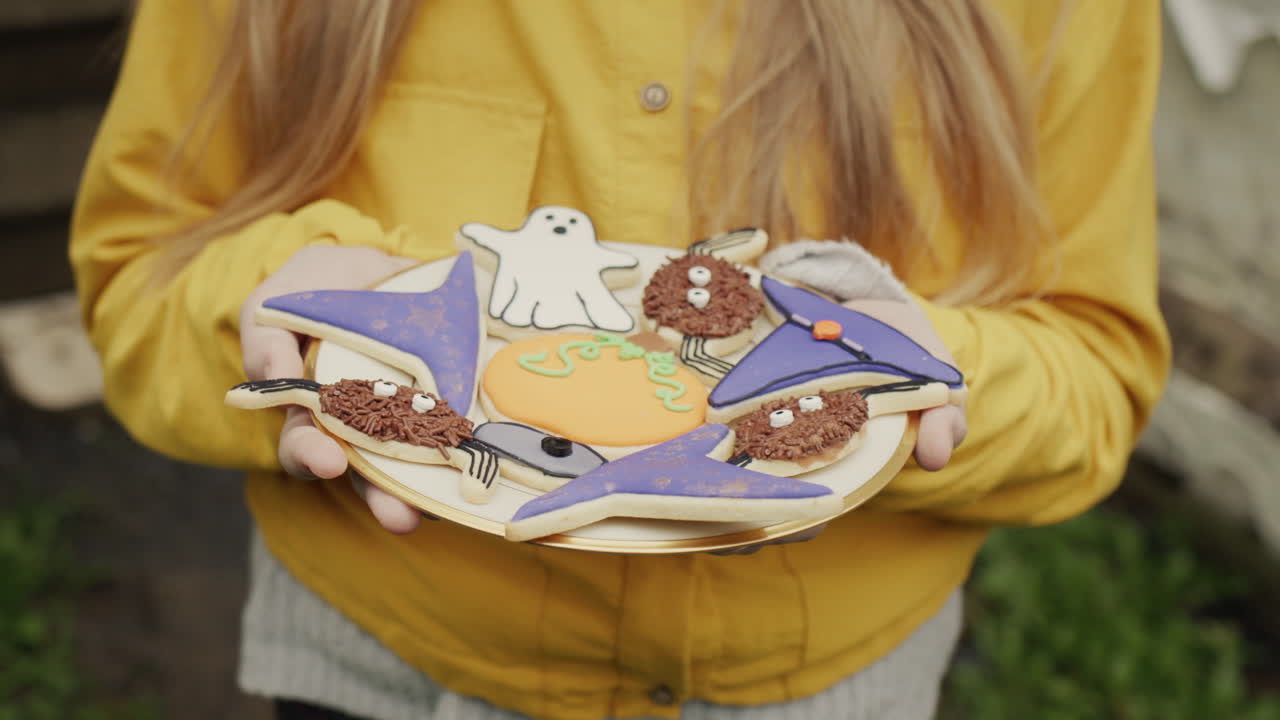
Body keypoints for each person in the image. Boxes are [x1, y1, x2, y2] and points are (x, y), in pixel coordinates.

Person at [69, 0, 1169, 718]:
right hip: (387, 664)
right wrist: (291, 314)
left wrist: (922, 373)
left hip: (834, 687)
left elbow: (1090, 365)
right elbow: (142, 274)